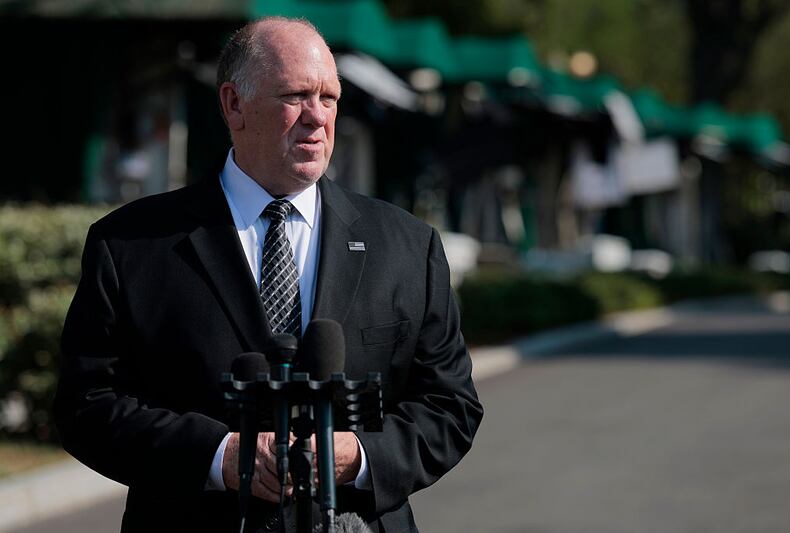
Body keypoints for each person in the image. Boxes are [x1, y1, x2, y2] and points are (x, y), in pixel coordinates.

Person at [55, 17, 482, 533]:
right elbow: (86, 404)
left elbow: (450, 405)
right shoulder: (132, 245)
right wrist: (219, 455)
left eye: (329, 98)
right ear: (234, 104)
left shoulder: (409, 246)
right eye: (296, 96)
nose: (317, 118)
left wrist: (362, 454)